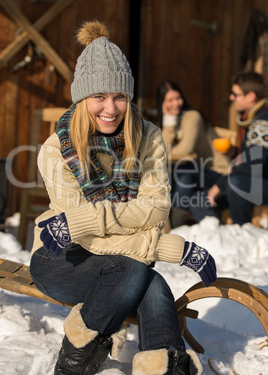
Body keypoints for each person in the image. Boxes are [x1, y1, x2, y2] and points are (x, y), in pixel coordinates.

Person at [29, 21, 217, 375]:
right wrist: (169, 249)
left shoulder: (149, 138)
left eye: (119, 96)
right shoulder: (56, 150)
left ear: (129, 97)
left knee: (141, 276)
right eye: (99, 96)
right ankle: (74, 364)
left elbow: (156, 208)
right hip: (62, 259)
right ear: (82, 98)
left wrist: (88, 219)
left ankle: (166, 364)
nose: (110, 108)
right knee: (138, 269)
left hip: (122, 263)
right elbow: (79, 228)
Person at [190, 70, 268, 225]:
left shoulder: (262, 122)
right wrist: (233, 152)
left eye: (235, 94)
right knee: (198, 200)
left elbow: (255, 166)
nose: (231, 98)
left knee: (234, 182)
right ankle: (218, 240)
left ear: (251, 96)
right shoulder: (251, 118)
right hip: (249, 180)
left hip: (259, 182)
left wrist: (220, 185)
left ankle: (242, 231)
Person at [157, 81, 230, 227]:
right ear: (162, 103)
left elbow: (185, 151)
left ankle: (172, 226)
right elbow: (163, 148)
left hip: (218, 172)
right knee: (181, 174)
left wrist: (157, 156)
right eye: (170, 100)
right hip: (196, 172)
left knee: (183, 170)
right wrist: (169, 122)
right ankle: (171, 224)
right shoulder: (171, 120)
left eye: (178, 98)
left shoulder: (192, 116)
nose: (175, 103)